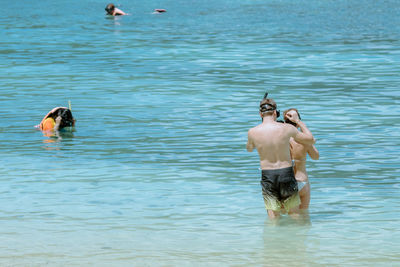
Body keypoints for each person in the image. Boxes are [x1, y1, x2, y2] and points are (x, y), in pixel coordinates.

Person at [246, 93, 315, 219]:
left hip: (268, 176)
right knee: (294, 215)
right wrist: (298, 121)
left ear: (260, 114)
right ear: (275, 113)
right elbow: (310, 140)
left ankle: (274, 238)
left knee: (273, 218)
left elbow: (249, 149)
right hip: (286, 174)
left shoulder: (253, 132)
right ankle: (299, 237)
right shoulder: (287, 128)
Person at [284, 108, 319, 211]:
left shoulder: (281, 139)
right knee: (304, 214)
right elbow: (315, 157)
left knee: (291, 216)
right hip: (303, 181)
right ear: (298, 121)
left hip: (288, 181)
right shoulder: (305, 140)